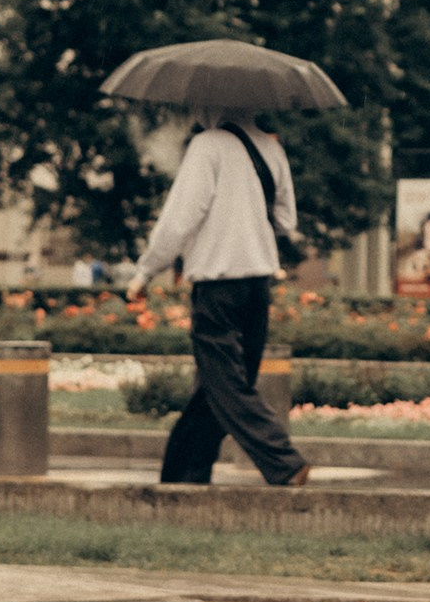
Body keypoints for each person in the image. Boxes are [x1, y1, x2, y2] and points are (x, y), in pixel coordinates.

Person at [125, 110, 312, 489]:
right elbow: (286, 221)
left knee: (226, 384)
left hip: (217, 284)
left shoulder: (206, 146)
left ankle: (283, 461)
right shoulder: (271, 147)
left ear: (212, 102)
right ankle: (183, 476)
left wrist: (146, 271)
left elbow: (180, 219)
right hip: (258, 283)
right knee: (217, 387)